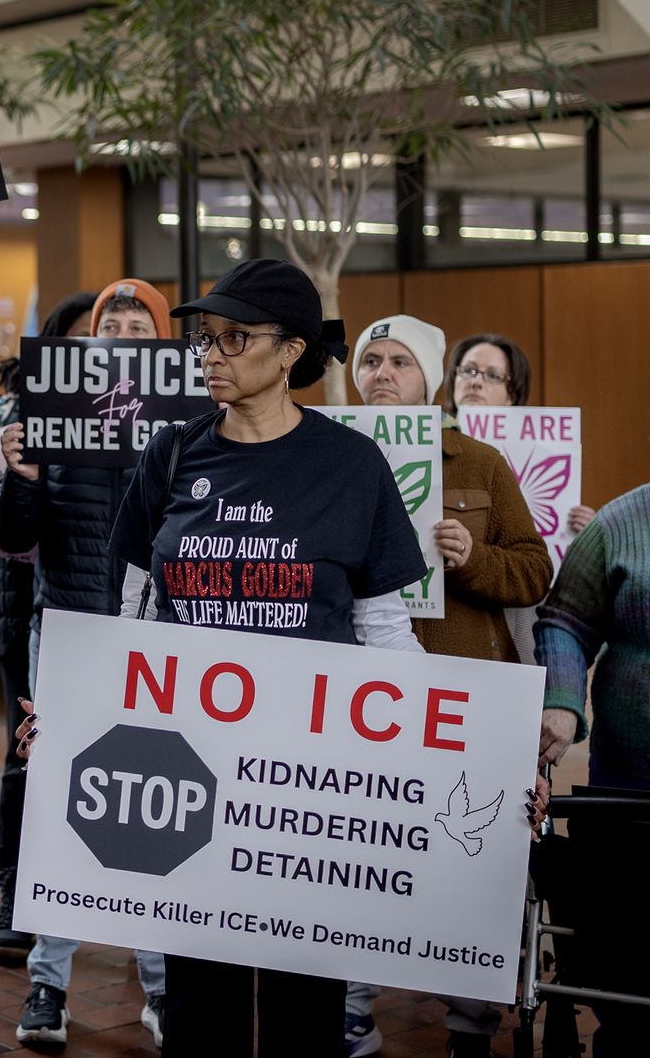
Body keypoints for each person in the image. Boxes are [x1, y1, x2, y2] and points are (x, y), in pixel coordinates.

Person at [102, 258, 429, 1058]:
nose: (210, 354)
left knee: (303, 1016)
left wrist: (471, 747)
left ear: (291, 352)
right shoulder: (172, 457)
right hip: (187, 773)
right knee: (199, 1010)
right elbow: (128, 614)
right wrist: (79, 709)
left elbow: (386, 632)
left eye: (233, 337)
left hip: (307, 786)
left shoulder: (351, 466)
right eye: (204, 338)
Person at [342, 314, 553, 1058]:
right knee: (358, 849)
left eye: (400, 361)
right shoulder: (323, 455)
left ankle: (470, 1023)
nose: (382, 375)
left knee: (467, 854)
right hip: (359, 700)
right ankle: (354, 1009)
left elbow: (534, 571)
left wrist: (475, 560)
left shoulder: (481, 462)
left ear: (430, 378)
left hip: (464, 695)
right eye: (370, 360)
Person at [0, 277, 176, 1046]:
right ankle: (48, 987)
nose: (123, 335)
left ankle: (162, 989)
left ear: (161, 345)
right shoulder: (50, 420)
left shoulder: (193, 424)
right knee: (60, 808)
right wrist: (23, 476)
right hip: (66, 629)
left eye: (138, 325)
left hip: (162, 644)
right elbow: (7, 534)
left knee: (163, 805)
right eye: (111, 324)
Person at [0, 290, 93, 965]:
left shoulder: (156, 420)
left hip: (109, 616)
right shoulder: (26, 418)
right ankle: (15, 891)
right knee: (26, 762)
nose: (96, 350)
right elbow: (1, 530)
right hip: (32, 611)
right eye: (78, 338)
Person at [536, 482, 650, 1055]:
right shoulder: (621, 523)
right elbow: (564, 620)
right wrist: (561, 696)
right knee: (624, 951)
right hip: (628, 792)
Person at [447, 333, 596, 538]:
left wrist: (588, 534)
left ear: (512, 395)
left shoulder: (539, 450)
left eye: (493, 375)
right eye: (469, 370)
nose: (476, 382)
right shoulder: (429, 441)